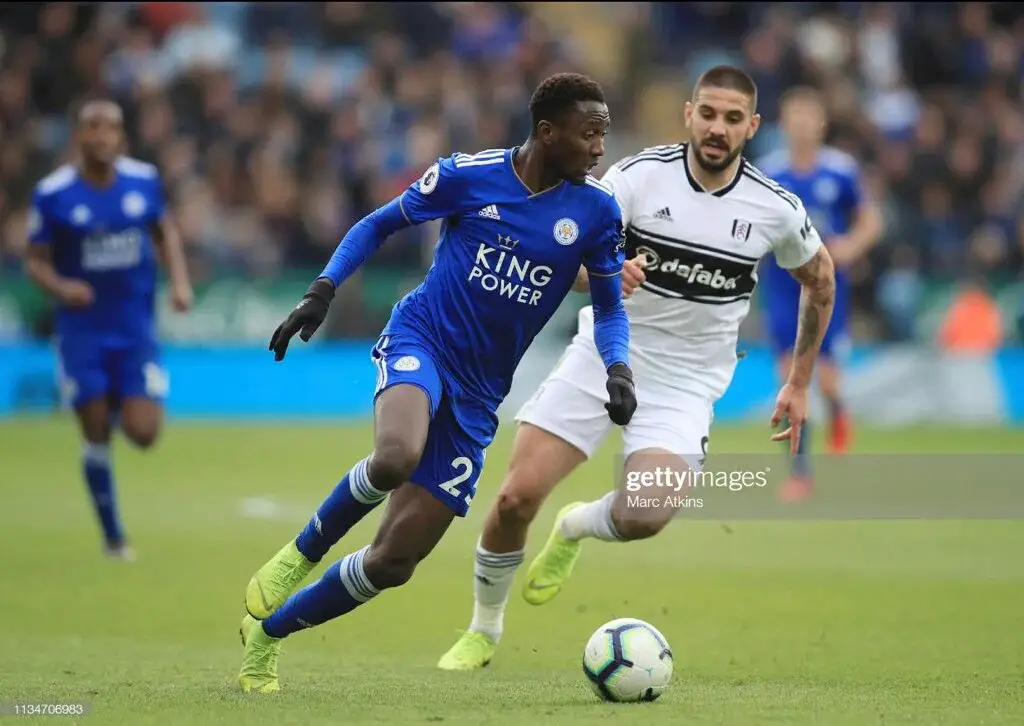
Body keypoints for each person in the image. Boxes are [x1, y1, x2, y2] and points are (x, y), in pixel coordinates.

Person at [237, 73, 638, 693]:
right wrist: (322, 290)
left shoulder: (596, 212)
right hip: (422, 339)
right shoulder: (467, 176)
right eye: (589, 134)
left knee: (393, 562)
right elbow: (376, 225)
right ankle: (299, 555)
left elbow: (609, 309)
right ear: (546, 132)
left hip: (480, 395)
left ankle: (268, 636)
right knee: (396, 455)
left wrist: (618, 367)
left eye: (603, 135)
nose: (599, 148)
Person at [435, 66, 837, 671]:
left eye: (733, 119)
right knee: (516, 497)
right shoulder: (637, 177)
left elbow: (821, 279)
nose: (718, 128)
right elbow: (564, 252)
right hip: (605, 355)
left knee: (643, 515)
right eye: (708, 114)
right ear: (689, 114)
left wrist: (799, 383)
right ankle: (483, 629)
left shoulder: (773, 208)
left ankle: (576, 525)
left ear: (752, 127)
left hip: (685, 383)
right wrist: (598, 275)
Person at [24, 98, 193, 561]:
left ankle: (116, 396)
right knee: (95, 430)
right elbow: (34, 261)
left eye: (110, 127)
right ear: (78, 135)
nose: (101, 135)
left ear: (121, 136)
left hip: (135, 329)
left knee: (144, 433)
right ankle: (114, 537)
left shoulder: (144, 180)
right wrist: (62, 287)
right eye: (92, 126)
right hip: (81, 332)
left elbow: (164, 233)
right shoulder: (53, 193)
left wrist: (179, 283)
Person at [758, 87, 881, 500]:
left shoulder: (840, 171)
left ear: (821, 124)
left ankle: (839, 411)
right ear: (784, 124)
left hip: (826, 288)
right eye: (794, 117)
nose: (801, 125)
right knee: (787, 377)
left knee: (826, 382)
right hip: (782, 286)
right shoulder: (769, 172)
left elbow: (870, 220)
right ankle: (799, 472)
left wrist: (851, 246)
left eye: (808, 117)